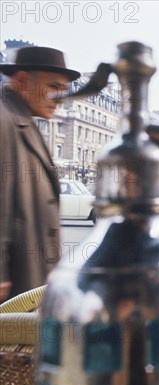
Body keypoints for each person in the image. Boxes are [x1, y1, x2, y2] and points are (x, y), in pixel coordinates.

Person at [0, 46, 80, 301]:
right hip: (14, 283)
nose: (60, 98)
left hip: (30, 278)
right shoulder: (4, 122)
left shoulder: (23, 120)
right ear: (23, 81)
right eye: (53, 87)